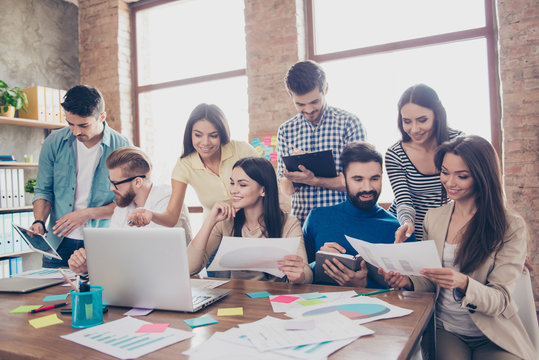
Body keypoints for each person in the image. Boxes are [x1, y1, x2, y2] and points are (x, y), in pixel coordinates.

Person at [380, 135, 535, 360]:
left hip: (494, 333)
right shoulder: (433, 218)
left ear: (483, 177)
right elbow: (430, 277)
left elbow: (500, 299)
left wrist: (463, 282)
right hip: (448, 330)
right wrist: (408, 281)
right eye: (445, 172)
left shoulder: (510, 226)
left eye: (461, 176)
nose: (450, 182)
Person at [30, 85, 130, 267]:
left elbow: (127, 204)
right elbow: (43, 190)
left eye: (83, 125)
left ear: (102, 117)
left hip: (101, 243)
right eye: (70, 124)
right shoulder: (53, 142)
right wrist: (39, 221)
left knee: (102, 295)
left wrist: (86, 214)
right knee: (51, 295)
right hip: (58, 244)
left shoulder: (122, 147)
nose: (76, 132)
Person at [303, 142, 415, 288]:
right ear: (343, 179)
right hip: (321, 307)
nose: (367, 188)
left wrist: (363, 285)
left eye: (374, 179)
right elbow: (300, 275)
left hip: (379, 309)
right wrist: (320, 264)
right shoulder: (316, 218)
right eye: (358, 179)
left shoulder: (399, 230)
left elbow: (412, 291)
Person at [126, 103, 258, 226]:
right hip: (215, 230)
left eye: (213, 135)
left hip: (254, 224)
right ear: (190, 135)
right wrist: (151, 214)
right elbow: (171, 217)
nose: (205, 142)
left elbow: (267, 188)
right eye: (198, 135)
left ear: (222, 134)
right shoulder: (184, 165)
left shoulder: (242, 150)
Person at [68, 146, 193, 274]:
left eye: (116, 183)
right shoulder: (124, 206)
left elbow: (153, 256)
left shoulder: (168, 199)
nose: (111, 188)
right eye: (110, 182)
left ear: (138, 182)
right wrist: (87, 267)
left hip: (172, 277)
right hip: (138, 280)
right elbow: (115, 252)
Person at [188, 157, 312, 284]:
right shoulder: (225, 221)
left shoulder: (288, 223)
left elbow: (306, 273)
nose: (233, 190)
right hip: (237, 298)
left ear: (263, 190)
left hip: (274, 298)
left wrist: (299, 275)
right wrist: (210, 221)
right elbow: (189, 268)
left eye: (242, 185)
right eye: (232, 183)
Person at [277, 60, 366, 224]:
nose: (309, 110)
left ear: (325, 88)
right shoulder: (285, 130)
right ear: (291, 96)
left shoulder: (349, 124)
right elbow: (286, 190)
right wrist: (290, 177)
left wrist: (313, 179)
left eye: (314, 102)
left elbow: (359, 183)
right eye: (300, 104)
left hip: (342, 221)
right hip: (302, 223)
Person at [385, 84, 462, 242]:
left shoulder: (459, 143)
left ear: (437, 115)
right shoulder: (395, 154)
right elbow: (404, 201)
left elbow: (480, 190)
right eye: (407, 121)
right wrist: (407, 222)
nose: (414, 129)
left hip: (444, 226)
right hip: (406, 229)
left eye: (422, 120)